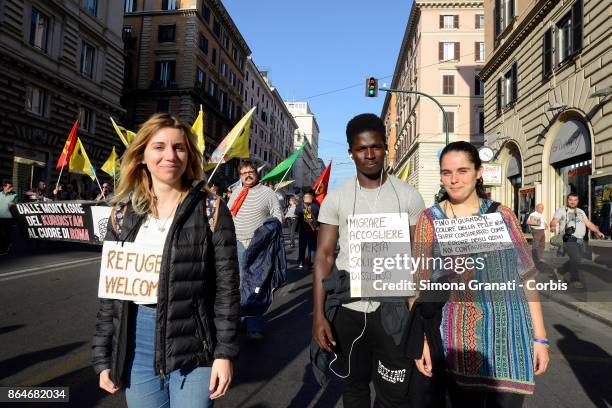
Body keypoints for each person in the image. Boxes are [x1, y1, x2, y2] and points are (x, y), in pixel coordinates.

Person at [92, 113, 239, 407]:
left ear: (189, 156)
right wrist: (103, 356)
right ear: (142, 155)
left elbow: (227, 289)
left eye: (179, 147)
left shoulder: (211, 209)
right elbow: (110, 295)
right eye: (159, 147)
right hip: (137, 343)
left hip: (195, 344)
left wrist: (224, 354)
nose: (170, 155)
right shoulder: (121, 214)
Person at [413, 141, 549, 407]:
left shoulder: (503, 215)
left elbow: (527, 277)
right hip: (461, 342)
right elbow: (418, 285)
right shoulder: (430, 220)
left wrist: (540, 337)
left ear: (478, 172)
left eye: (462, 171)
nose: (454, 180)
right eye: (446, 172)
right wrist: (422, 341)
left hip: (512, 340)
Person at [311, 113, 428, 407]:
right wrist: (318, 315)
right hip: (349, 309)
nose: (369, 155)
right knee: (354, 388)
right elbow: (324, 257)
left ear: (385, 146)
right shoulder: (336, 199)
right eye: (361, 149)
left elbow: (420, 257)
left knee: (395, 393)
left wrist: (421, 315)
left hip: (394, 309)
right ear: (350, 151)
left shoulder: (409, 196)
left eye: (375, 146)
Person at [227, 160, 283, 340]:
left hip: (256, 246)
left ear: (257, 174)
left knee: (254, 285)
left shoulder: (268, 193)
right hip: (235, 243)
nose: (247, 175)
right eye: (243, 173)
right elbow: (228, 215)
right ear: (240, 175)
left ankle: (253, 325)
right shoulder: (236, 192)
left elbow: (277, 217)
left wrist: (265, 236)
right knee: (237, 283)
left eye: (251, 172)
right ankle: (239, 319)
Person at [550, 193, 604, 288]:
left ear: (578, 201)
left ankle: (560, 271)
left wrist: (598, 231)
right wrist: (553, 226)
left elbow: (588, 223)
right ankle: (574, 280)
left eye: (575, 200)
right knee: (576, 258)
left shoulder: (581, 211)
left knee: (576, 258)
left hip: (579, 240)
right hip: (568, 238)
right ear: (567, 200)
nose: (572, 202)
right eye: (570, 199)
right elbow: (554, 220)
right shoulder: (561, 211)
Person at [296, 192, 319, 268]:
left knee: (302, 247)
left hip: (302, 229)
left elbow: (296, 216)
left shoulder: (299, 207)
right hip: (312, 230)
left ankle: (301, 262)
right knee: (312, 247)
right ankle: (311, 263)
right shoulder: (316, 206)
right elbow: (319, 217)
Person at [0, 180, 18, 255]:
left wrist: (13, 204)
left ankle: (5, 248)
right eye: (9, 186)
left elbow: (15, 204)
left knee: (6, 234)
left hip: (9, 218)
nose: (11, 188)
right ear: (4, 187)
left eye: (11, 186)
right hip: (0, 217)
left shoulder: (15, 195)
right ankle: (3, 247)